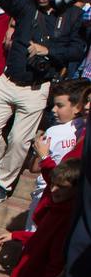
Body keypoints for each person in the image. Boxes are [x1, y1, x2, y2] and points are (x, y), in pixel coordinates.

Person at [0, 0, 84, 209]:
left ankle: (3, 182)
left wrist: (48, 50)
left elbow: (77, 49)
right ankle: (5, 168)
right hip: (7, 81)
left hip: (37, 88)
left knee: (18, 140)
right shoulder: (27, 4)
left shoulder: (72, 15)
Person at [7, 134, 91, 277]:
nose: (52, 191)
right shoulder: (56, 209)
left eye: (60, 188)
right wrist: (16, 234)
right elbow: (39, 238)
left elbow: (56, 258)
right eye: (52, 186)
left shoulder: (66, 217)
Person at [26, 79, 87, 229]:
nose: (53, 110)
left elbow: (34, 168)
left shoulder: (54, 132)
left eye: (59, 105)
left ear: (78, 107)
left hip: (47, 193)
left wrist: (41, 153)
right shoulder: (85, 129)